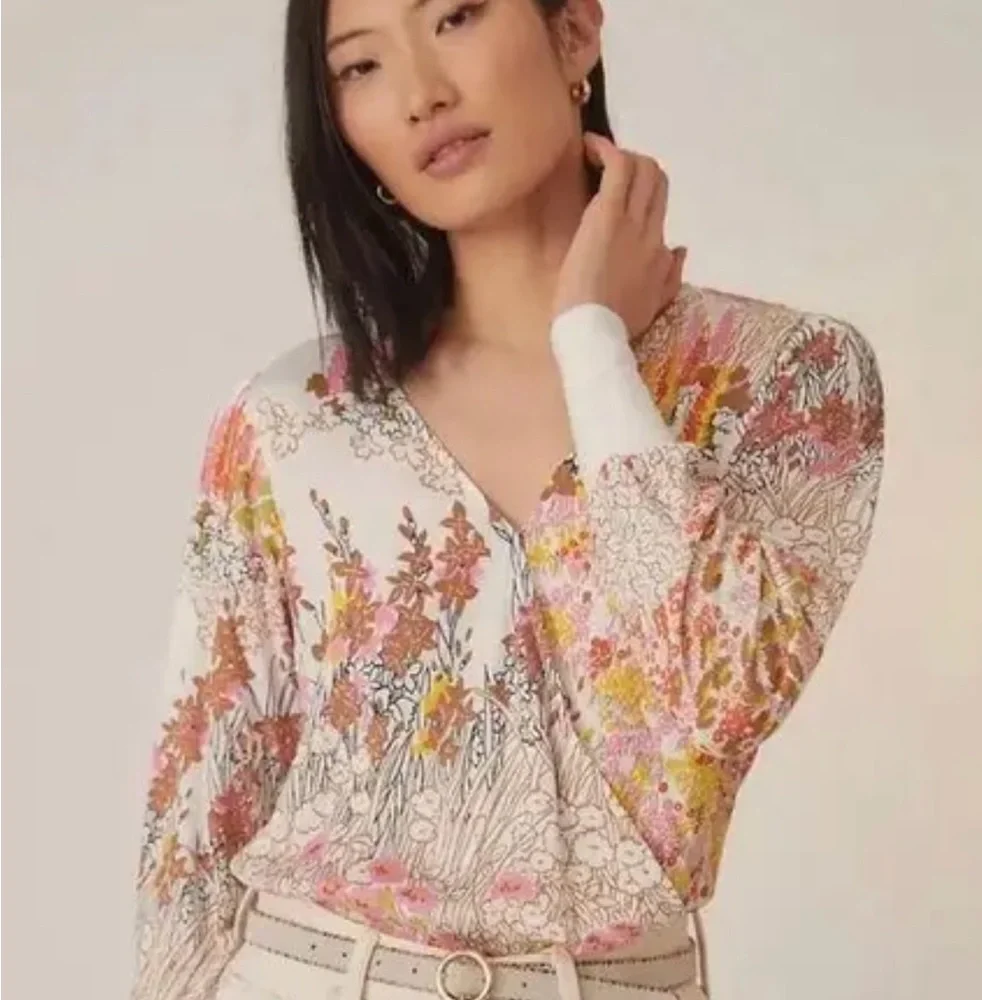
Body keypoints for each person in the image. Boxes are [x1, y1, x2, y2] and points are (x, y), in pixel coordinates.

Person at [129, 1, 885, 998]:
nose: (420, 94)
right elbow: (192, 831)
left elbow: (712, 701)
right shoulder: (293, 418)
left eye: (455, 16)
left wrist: (593, 348)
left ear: (573, 30)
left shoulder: (788, 378)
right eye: (359, 67)